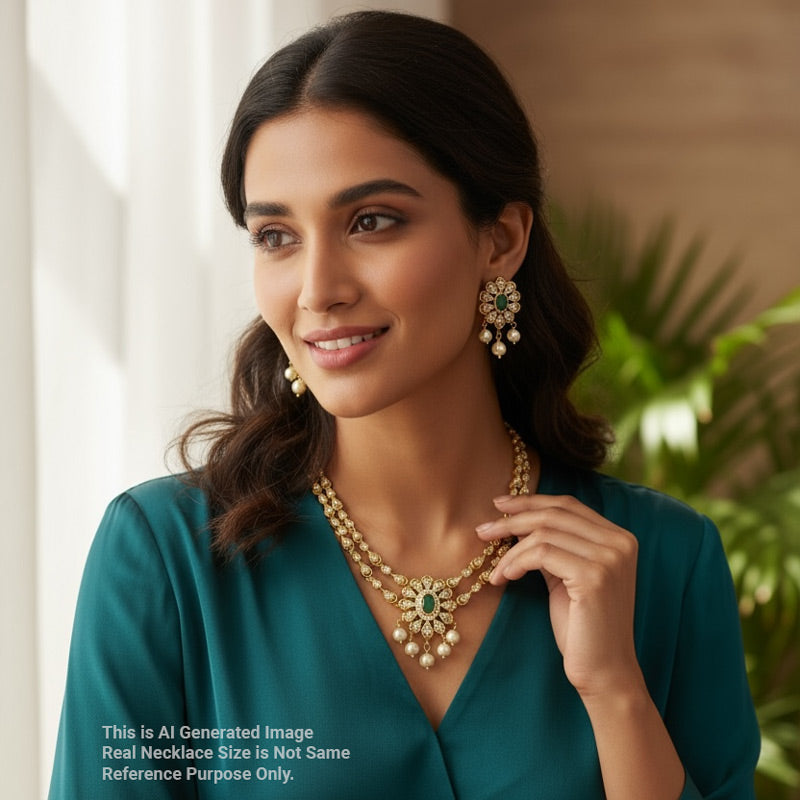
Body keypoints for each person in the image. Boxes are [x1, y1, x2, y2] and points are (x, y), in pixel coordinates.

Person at [49, 10, 759, 799]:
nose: (318, 289)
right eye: (277, 236)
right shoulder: (166, 563)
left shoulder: (663, 562)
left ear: (501, 241)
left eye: (372, 222)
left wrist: (615, 694)